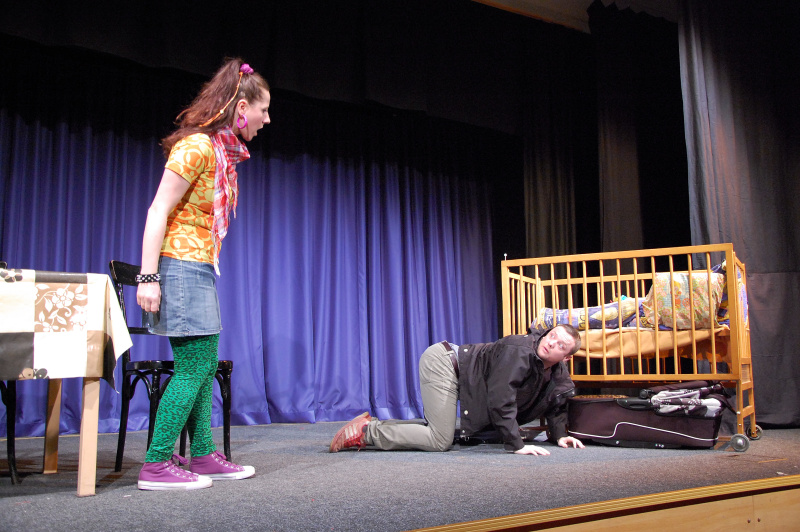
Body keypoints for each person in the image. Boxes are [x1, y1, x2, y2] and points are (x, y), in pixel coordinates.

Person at [135, 58, 271, 490]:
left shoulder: (219, 153)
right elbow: (158, 209)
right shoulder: (196, 146)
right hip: (179, 265)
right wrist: (147, 277)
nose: (267, 119)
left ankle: (204, 455)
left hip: (197, 266)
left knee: (203, 363)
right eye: (264, 109)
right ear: (242, 107)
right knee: (194, 367)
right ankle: (157, 463)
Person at [330, 324, 586, 455]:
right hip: (444, 364)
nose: (551, 343)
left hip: (460, 374)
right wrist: (516, 444)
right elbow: (501, 399)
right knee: (439, 440)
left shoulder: (556, 373)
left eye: (560, 345)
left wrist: (559, 435)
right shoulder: (520, 350)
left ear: (566, 358)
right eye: (552, 335)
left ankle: (372, 425)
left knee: (444, 432)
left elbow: (555, 403)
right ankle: (367, 432)